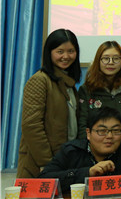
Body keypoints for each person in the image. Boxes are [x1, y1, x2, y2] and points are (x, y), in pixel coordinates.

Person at [17, 29, 82, 178]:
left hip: (64, 160)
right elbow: (31, 126)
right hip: (41, 164)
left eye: (71, 51)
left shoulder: (68, 83)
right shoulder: (40, 80)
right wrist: (47, 163)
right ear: (49, 53)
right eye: (60, 51)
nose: (66, 56)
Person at [39, 107, 121, 193]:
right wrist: (87, 173)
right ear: (88, 133)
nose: (109, 136)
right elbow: (43, 180)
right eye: (102, 131)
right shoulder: (71, 151)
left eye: (116, 131)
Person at [77, 41, 121, 145]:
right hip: (94, 148)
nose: (111, 62)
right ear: (98, 61)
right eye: (105, 58)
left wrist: (119, 142)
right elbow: (82, 124)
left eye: (116, 58)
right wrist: (95, 146)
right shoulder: (87, 89)